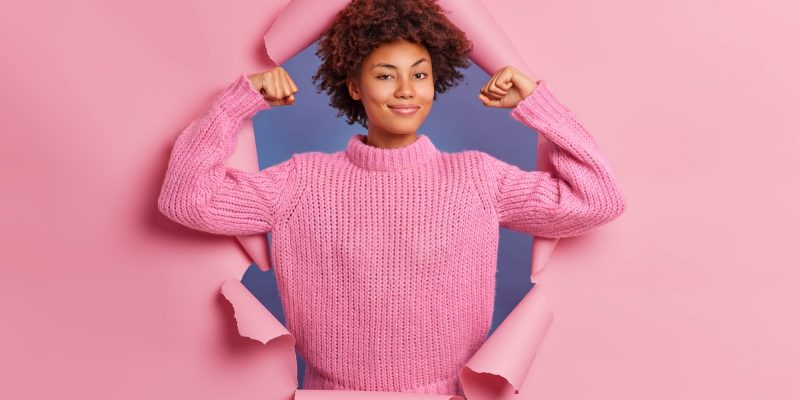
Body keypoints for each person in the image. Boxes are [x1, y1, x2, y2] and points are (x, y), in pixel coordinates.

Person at [157, 0, 626, 396]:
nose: (406, 91)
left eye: (419, 75)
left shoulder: (478, 178)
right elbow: (185, 198)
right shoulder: (301, 182)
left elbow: (598, 200)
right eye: (386, 76)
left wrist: (537, 105)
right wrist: (235, 103)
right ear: (355, 87)